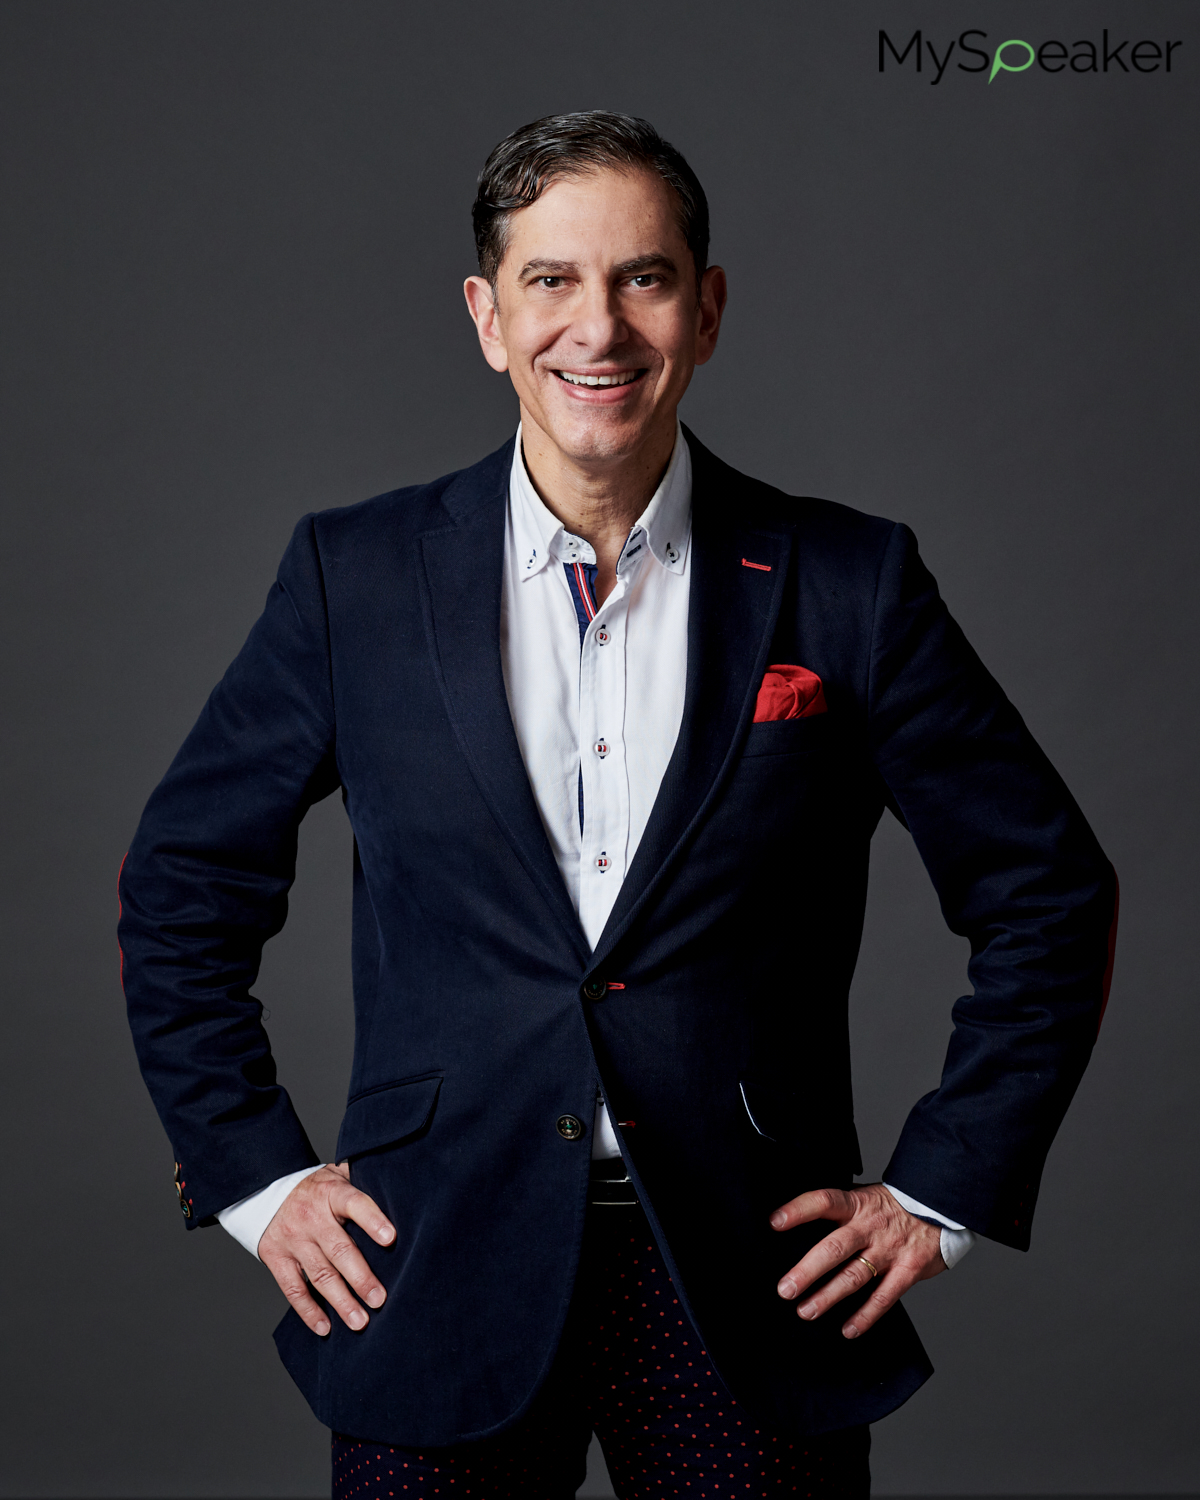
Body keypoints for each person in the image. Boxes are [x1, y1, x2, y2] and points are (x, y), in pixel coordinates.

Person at [119, 112, 1118, 1499]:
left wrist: (944, 1188)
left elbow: (1049, 895)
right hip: (431, 1259)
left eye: (643, 277)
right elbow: (181, 890)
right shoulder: (356, 578)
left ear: (705, 311)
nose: (598, 326)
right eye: (552, 280)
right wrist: (251, 1176)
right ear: (488, 317)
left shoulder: (851, 583)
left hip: (752, 1274)